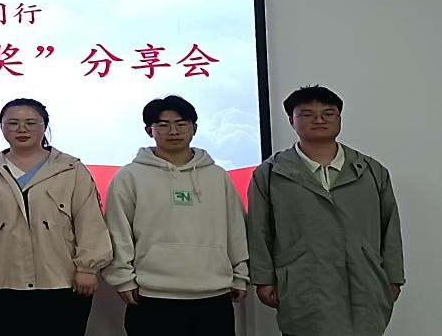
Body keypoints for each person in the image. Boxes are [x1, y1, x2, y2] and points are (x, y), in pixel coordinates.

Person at [247, 85, 404, 336]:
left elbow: (390, 227)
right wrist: (263, 279)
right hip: (302, 286)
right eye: (307, 114)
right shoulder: (271, 173)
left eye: (328, 113)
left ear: (339, 118)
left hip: (364, 284)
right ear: (291, 121)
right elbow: (259, 230)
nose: (319, 120)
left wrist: (394, 277)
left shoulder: (371, 171)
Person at [0, 98, 112, 336]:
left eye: (31, 123)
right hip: (2, 281)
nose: (22, 129)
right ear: (2, 127)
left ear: (45, 126)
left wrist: (87, 267)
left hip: (63, 280)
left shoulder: (71, 169)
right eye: (13, 123)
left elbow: (90, 221)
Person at [103, 95, 248, 336]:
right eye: (163, 125)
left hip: (214, 293)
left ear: (194, 128)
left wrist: (241, 274)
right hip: (152, 294)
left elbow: (236, 227)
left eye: (181, 124)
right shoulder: (129, 176)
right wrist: (123, 279)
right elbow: (117, 230)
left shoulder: (217, 175)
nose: (173, 131)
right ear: (149, 130)